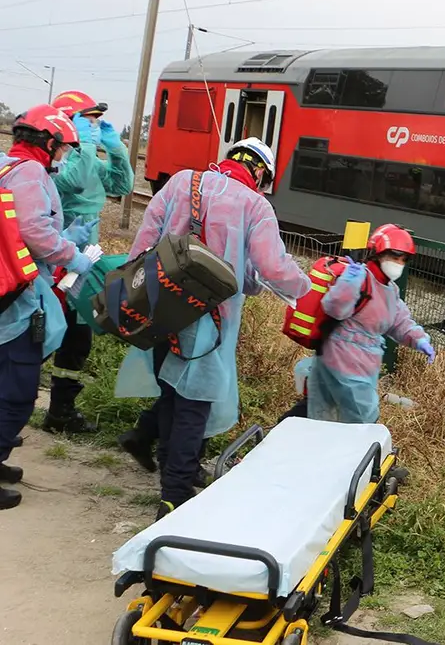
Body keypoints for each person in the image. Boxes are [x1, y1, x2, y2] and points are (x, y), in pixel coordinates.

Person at [112, 137, 311, 519]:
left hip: (159, 306)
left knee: (170, 392)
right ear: (260, 172)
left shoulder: (181, 181)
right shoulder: (255, 206)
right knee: (193, 406)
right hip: (208, 321)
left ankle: (171, 475)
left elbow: (144, 242)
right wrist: (309, 290)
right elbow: (271, 269)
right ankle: (176, 495)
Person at [0, 104, 101, 510]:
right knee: (18, 390)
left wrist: (63, 234)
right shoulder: (30, 174)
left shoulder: (6, 165)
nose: (62, 156)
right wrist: (72, 253)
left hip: (7, 288)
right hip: (18, 294)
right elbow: (34, 232)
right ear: (47, 143)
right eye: (61, 149)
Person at [41, 90, 134, 435]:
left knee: (77, 339)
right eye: (88, 120)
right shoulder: (55, 163)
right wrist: (81, 146)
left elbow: (122, 184)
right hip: (54, 261)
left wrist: (116, 148)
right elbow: (75, 181)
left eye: (95, 120)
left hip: (83, 263)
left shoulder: (85, 156)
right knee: (39, 335)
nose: (94, 125)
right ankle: (13, 400)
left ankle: (61, 412)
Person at [306, 223, 435, 424]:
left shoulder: (390, 290)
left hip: (355, 364)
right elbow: (334, 308)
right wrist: (348, 284)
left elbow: (399, 322)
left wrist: (420, 340)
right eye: (394, 256)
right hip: (345, 363)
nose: (399, 263)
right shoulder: (360, 277)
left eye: (403, 259)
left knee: (320, 421)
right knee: (362, 423)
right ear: (378, 254)